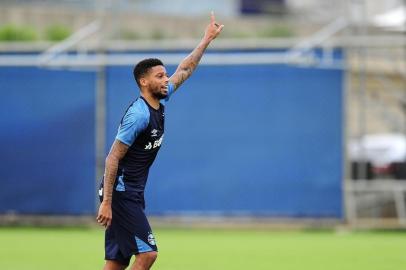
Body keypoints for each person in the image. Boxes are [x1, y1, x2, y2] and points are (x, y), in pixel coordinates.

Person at [96, 12, 224, 270]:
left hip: (131, 192)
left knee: (116, 262)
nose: (166, 79)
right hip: (120, 193)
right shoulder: (139, 114)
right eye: (159, 76)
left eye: (165, 75)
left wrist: (206, 39)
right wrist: (108, 202)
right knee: (147, 254)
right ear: (144, 82)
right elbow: (113, 157)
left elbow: (185, 69)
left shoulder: (161, 99)